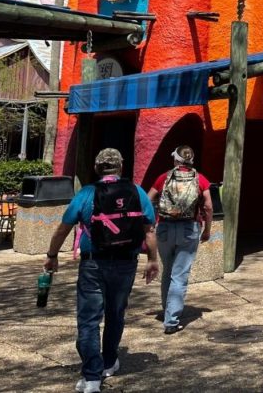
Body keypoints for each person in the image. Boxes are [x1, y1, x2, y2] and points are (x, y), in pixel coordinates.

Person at [44, 148, 159, 393]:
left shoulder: (86, 194)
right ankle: (108, 361)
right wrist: (152, 259)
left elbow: (63, 229)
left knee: (88, 320)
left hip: (93, 263)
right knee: (116, 313)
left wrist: (52, 256)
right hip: (126, 262)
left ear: (97, 168)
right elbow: (149, 230)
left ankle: (92, 377)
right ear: (121, 167)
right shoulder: (137, 192)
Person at [147, 145, 213, 335]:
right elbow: (208, 206)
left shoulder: (164, 177)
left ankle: (167, 311)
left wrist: (150, 224)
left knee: (168, 270)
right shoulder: (200, 179)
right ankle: (171, 320)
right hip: (188, 228)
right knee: (180, 274)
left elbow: (148, 198)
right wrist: (207, 230)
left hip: (165, 228)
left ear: (176, 160)